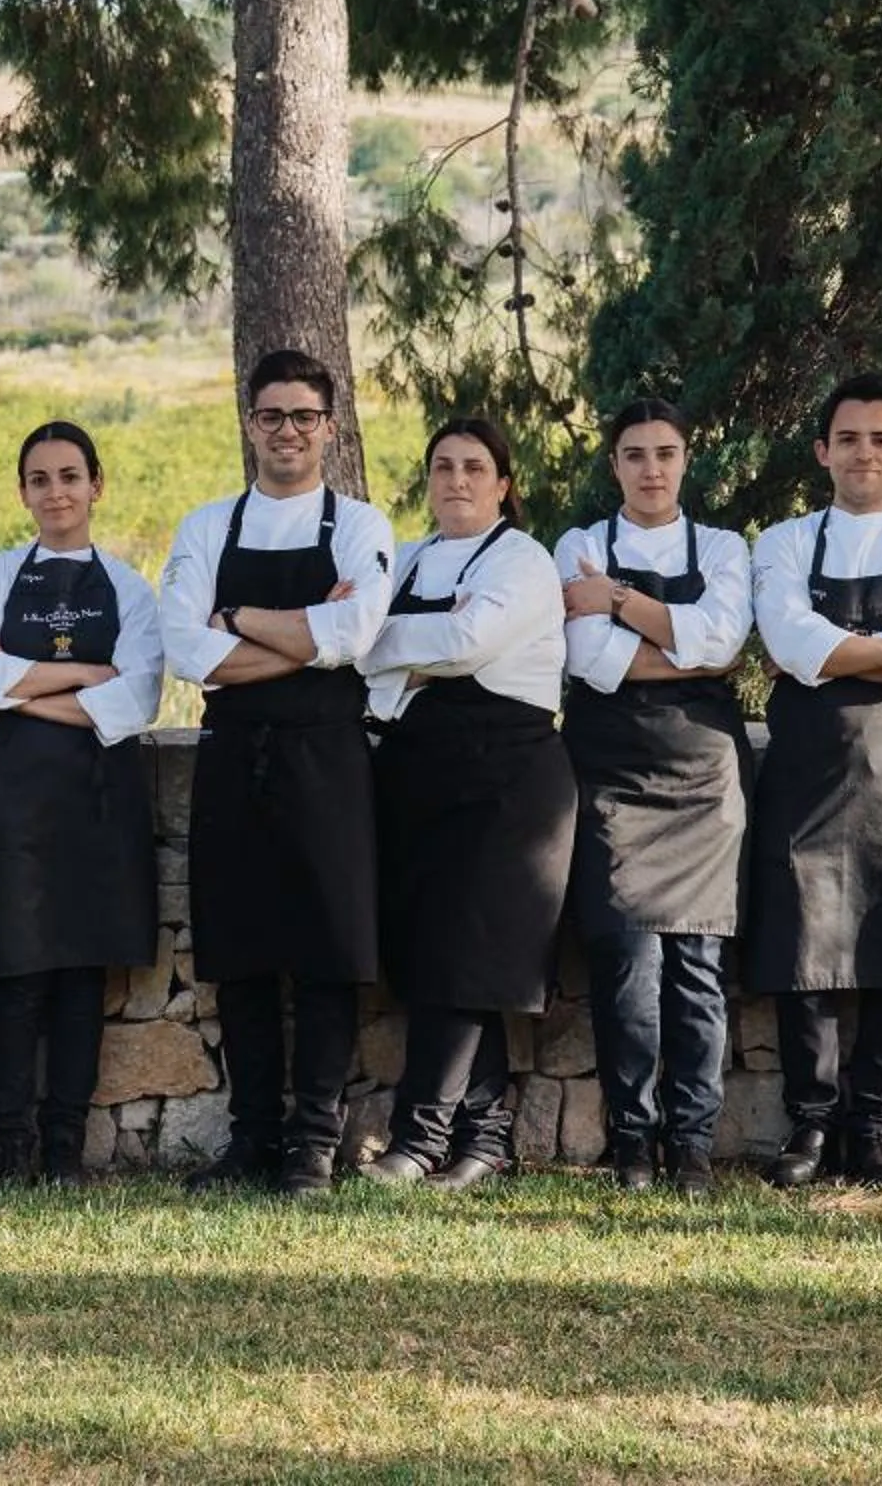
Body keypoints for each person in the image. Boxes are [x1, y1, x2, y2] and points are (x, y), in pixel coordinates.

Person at [157, 351, 396, 1196]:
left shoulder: (363, 527)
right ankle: (252, 1138)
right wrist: (304, 638)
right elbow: (187, 652)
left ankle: (312, 1147)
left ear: (329, 428)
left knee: (328, 953)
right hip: (233, 758)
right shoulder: (205, 527)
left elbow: (357, 637)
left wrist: (238, 620)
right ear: (249, 424)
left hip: (328, 758)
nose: (287, 431)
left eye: (303, 417)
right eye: (271, 416)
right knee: (244, 951)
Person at [748, 372, 882, 1189]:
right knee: (804, 942)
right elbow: (784, 639)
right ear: (821, 453)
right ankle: (808, 1127)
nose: (862, 452)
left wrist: (826, 652)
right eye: (847, 439)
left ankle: (871, 1130)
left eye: (879, 439)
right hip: (806, 764)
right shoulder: (784, 543)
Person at [359, 416, 574, 1191]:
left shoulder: (524, 559)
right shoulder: (408, 558)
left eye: (474, 467)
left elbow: (465, 643)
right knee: (436, 956)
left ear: (504, 485)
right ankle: (483, 1143)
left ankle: (417, 1142)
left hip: (508, 786)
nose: (456, 480)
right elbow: (360, 648)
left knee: (469, 955)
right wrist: (406, 657)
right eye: (443, 466)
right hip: (422, 779)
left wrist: (397, 650)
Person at [0, 421, 164, 1185]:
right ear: (22, 493)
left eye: (70, 476)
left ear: (96, 485)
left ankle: (64, 1150)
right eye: (39, 479)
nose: (56, 492)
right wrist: (84, 677)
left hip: (99, 801)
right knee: (15, 974)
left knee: (81, 975)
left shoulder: (133, 588)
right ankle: (9, 1148)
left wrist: (25, 685)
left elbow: (135, 698)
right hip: (10, 799)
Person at [555, 399, 753, 1194]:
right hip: (611, 773)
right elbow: (590, 662)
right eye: (634, 454)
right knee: (626, 959)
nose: (651, 469)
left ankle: (694, 1144)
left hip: (705, 776)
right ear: (614, 466)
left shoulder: (724, 546)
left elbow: (725, 644)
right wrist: (681, 638)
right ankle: (633, 1141)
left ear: (686, 459)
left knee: (699, 966)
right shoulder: (577, 546)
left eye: (665, 453)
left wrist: (619, 605)